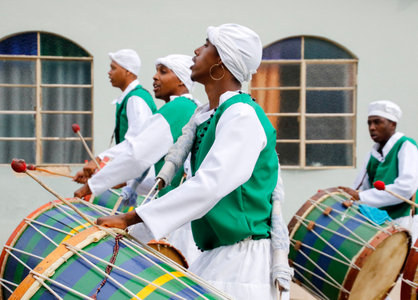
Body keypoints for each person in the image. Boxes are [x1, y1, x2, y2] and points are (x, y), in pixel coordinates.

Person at [96, 24, 292, 299]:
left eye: (207, 45)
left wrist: (131, 218)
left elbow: (209, 185)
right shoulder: (209, 116)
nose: (197, 51)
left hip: (241, 267)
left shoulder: (242, 116)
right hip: (219, 258)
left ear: (221, 62)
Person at [74, 54, 201, 263]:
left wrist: (93, 185)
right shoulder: (188, 107)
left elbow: (137, 153)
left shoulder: (178, 108)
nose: (154, 77)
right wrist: (127, 181)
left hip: (180, 215)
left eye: (163, 72)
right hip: (179, 210)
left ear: (180, 80)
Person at [339, 100, 418, 244]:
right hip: (381, 224)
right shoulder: (371, 155)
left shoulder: (406, 145)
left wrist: (360, 196)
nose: (372, 128)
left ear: (392, 124)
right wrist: (345, 197)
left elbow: (406, 188)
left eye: (377, 122)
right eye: (369, 123)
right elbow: (360, 189)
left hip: (407, 221)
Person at [73, 49, 156, 183]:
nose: (109, 72)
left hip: (144, 180)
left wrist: (99, 159)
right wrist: (97, 175)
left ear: (128, 71)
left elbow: (136, 143)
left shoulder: (136, 99)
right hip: (135, 177)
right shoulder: (129, 98)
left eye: (113, 68)